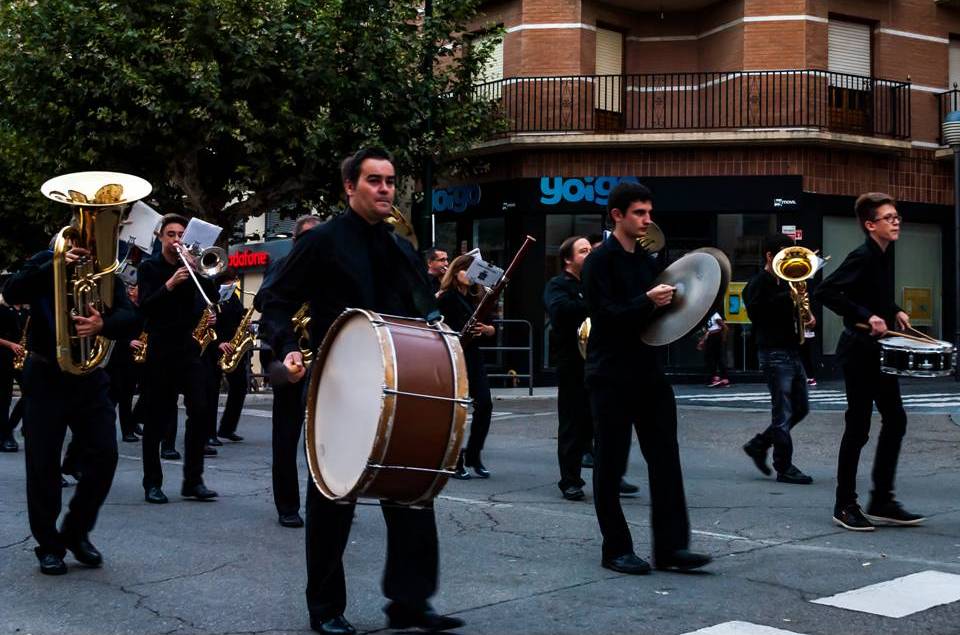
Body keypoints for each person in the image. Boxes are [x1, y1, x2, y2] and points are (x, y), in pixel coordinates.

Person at [261, 147, 464, 634]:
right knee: (333, 497)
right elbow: (275, 298)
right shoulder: (322, 241)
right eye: (375, 180)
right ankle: (326, 608)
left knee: (412, 488)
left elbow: (425, 313)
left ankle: (410, 602)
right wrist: (287, 348)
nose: (385, 189)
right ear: (350, 187)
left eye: (390, 181)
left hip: (398, 382)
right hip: (338, 383)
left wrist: (450, 330)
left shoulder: (399, 248)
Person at [581, 181, 711, 575]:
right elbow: (604, 316)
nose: (647, 220)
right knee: (610, 461)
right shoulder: (598, 261)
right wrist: (646, 301)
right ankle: (615, 549)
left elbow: (661, 316)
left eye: (649, 212)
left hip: (648, 370)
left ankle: (671, 549)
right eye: (639, 213)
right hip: (610, 372)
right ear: (617, 215)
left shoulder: (645, 259)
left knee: (666, 458)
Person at [4, 236, 137, 574]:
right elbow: (12, 291)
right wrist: (55, 266)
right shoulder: (44, 259)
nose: (86, 244)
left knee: (105, 454)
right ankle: (49, 545)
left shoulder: (104, 272)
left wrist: (103, 324)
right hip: (45, 374)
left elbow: (131, 318)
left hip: (89, 376)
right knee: (43, 463)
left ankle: (76, 532)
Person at [815, 192, 925, 532]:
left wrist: (894, 310)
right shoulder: (862, 255)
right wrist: (866, 316)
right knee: (858, 427)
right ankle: (844, 504)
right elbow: (826, 291)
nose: (896, 221)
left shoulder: (882, 254)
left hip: (878, 351)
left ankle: (882, 500)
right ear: (870, 224)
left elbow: (872, 294)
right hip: (859, 352)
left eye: (897, 216)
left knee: (895, 419)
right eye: (888, 217)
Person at [137, 213, 219, 504]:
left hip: (188, 347)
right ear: (160, 237)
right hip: (160, 347)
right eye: (171, 234)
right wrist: (170, 284)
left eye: (181, 235)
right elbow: (145, 307)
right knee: (157, 417)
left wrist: (199, 271)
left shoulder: (191, 266)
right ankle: (152, 483)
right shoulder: (149, 267)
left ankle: (193, 481)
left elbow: (212, 299)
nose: (176, 240)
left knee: (200, 409)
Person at [254, 213, 320, 528]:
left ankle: (329, 500)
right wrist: (288, 346)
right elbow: (265, 303)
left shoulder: (332, 269)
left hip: (324, 356)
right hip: (290, 355)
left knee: (329, 438)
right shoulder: (282, 266)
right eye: (307, 238)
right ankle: (288, 505)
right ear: (295, 241)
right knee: (286, 435)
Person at [742, 233, 814, 485]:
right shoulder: (757, 283)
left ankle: (759, 444)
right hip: (773, 353)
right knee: (782, 412)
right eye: (783, 256)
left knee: (801, 408)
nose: (788, 262)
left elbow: (792, 313)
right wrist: (789, 298)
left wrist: (806, 315)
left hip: (792, 351)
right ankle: (784, 467)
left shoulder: (787, 283)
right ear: (769, 256)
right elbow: (757, 313)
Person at [437, 253, 495, 480]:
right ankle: (453, 459)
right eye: (466, 270)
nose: (471, 276)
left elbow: (491, 326)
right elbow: (436, 325)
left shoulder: (475, 297)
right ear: (456, 272)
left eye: (474, 271)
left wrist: (487, 330)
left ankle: (473, 453)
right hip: (453, 356)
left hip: (473, 356)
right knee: (456, 408)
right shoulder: (446, 297)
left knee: (485, 404)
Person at [544, 236, 593, 500]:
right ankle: (570, 481)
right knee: (572, 425)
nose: (589, 254)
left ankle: (611, 475)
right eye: (583, 251)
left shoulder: (593, 283)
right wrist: (594, 303)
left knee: (601, 422)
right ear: (567, 259)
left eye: (590, 249)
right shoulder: (557, 285)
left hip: (596, 361)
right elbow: (560, 311)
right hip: (572, 363)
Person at [0, 296, 26, 452]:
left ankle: (9, 427)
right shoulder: (2, 309)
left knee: (31, 392)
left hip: (20, 358)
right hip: (3, 357)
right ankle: (4, 437)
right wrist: (11, 345)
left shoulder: (26, 312)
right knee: (4, 398)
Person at [698, 310, 729, 387]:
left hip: (716, 336)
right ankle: (718, 378)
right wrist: (702, 341)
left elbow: (725, 327)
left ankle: (719, 378)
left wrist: (723, 339)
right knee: (712, 357)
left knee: (714, 357)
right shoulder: (708, 316)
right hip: (711, 336)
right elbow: (708, 331)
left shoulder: (715, 314)